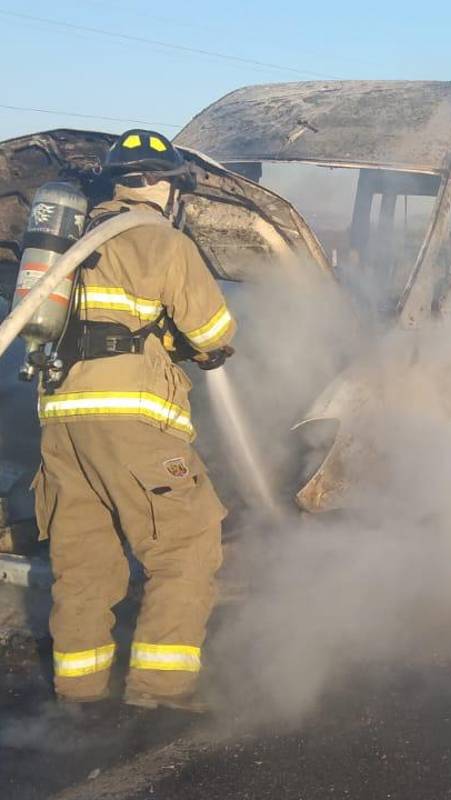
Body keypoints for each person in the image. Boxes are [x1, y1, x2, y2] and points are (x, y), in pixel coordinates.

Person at [32, 130, 236, 712]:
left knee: (84, 561)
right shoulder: (162, 239)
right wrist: (197, 347)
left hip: (62, 419)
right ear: (162, 185)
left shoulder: (71, 239)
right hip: (131, 419)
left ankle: (79, 695)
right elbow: (213, 333)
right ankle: (160, 691)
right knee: (186, 544)